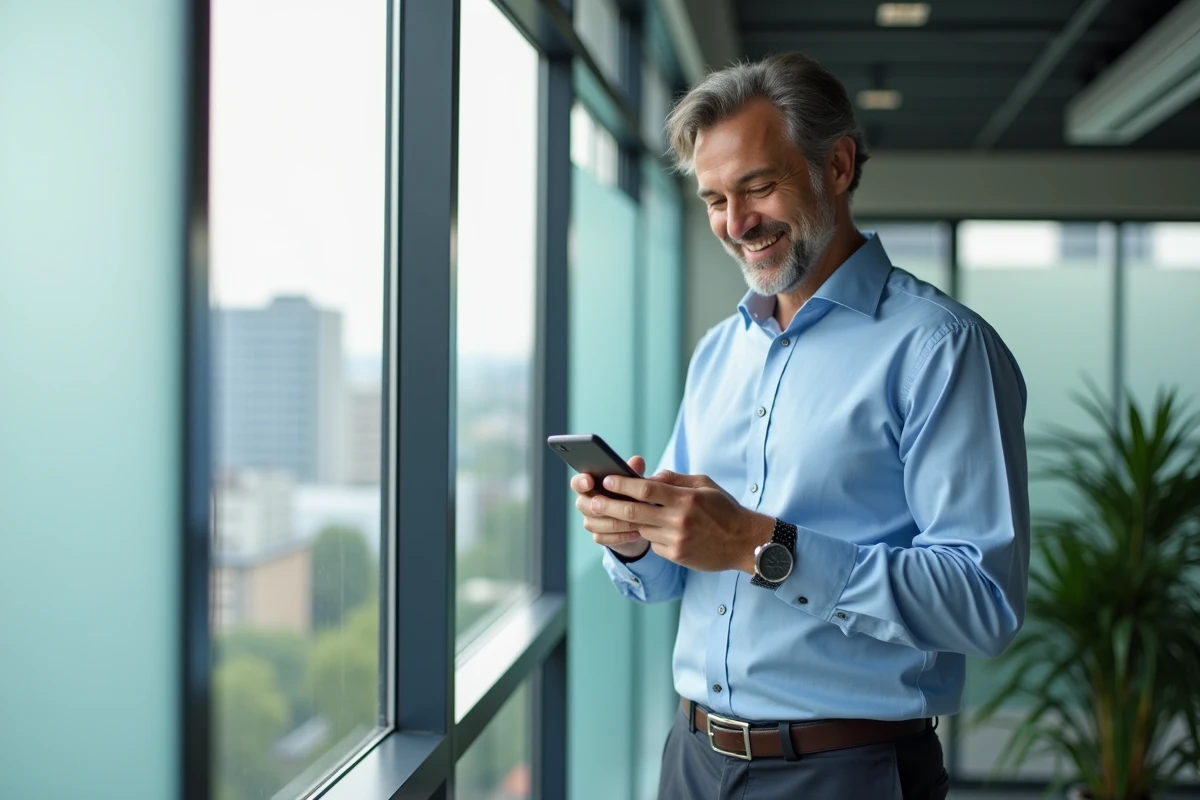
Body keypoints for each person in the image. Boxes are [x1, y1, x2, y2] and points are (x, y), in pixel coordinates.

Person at [569, 53, 1029, 799]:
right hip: (691, 761)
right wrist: (635, 537)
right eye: (715, 199)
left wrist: (760, 545)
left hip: (846, 772)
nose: (735, 224)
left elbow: (983, 605)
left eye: (758, 187)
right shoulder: (719, 352)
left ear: (837, 166)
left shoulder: (940, 348)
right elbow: (669, 577)